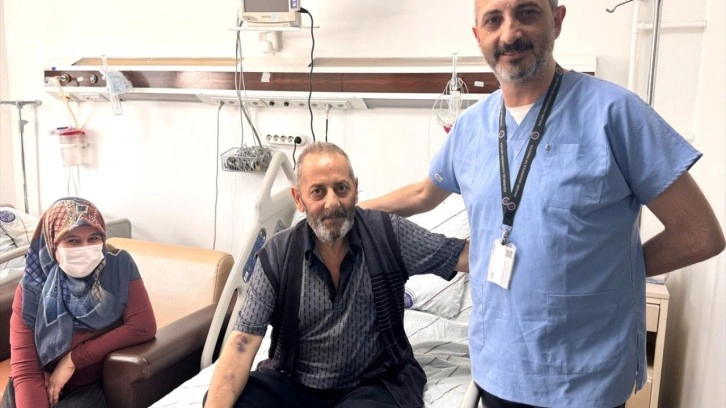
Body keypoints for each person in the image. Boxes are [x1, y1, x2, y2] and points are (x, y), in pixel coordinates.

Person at [360, 0, 726, 407]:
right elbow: (422, 195)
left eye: (527, 12)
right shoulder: (470, 129)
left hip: (587, 376)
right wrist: (344, 212)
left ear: (557, 19)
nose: (509, 33)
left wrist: (612, 270)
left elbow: (699, 234)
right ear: (478, 36)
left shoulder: (615, 114)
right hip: (498, 368)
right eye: (493, 20)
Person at [205, 142, 470, 408]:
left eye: (341, 188)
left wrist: (498, 245)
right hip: (293, 383)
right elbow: (242, 342)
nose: (332, 203)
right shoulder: (277, 254)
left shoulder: (388, 235)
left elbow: (461, 255)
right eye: (318, 192)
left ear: (355, 189)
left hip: (373, 382)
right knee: (230, 400)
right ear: (298, 199)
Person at [2, 197, 157, 407]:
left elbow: (142, 326)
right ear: (52, 244)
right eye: (72, 241)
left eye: (94, 238)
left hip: (90, 382)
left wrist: (74, 359)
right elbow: (26, 371)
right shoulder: (32, 290)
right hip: (38, 377)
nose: (85, 248)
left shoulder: (118, 267)